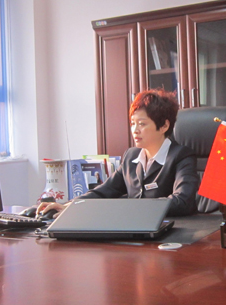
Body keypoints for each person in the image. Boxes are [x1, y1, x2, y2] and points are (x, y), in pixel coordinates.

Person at [36, 89, 199, 218]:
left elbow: (182, 201)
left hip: (171, 233)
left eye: (142, 124)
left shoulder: (181, 156)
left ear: (164, 126)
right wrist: (70, 205)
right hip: (134, 231)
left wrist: (129, 207)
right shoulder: (131, 157)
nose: (135, 130)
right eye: (132, 123)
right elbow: (104, 191)